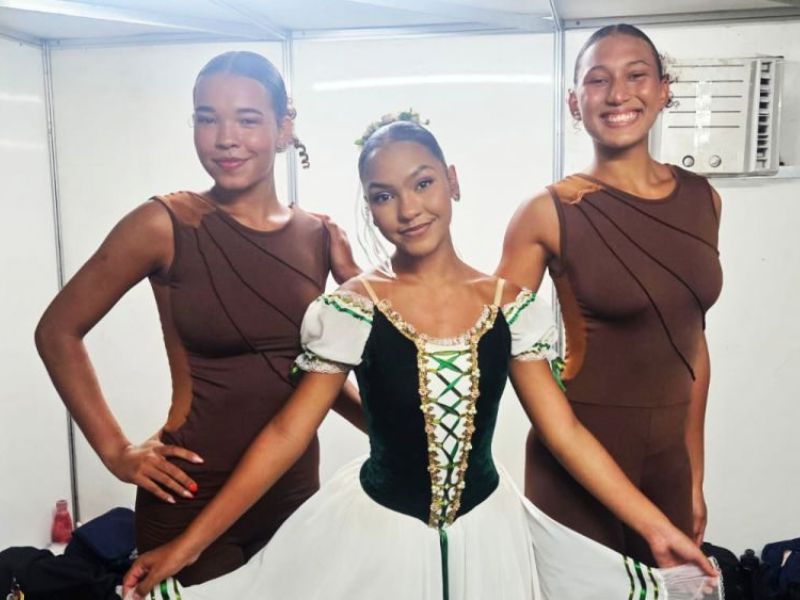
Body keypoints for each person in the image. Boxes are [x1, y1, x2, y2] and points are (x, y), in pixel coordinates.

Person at [122, 118, 720, 600]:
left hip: (489, 534)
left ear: (453, 181)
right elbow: (285, 432)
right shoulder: (352, 308)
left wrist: (656, 528)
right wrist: (188, 546)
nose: (408, 209)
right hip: (380, 534)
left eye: (423, 182)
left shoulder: (508, 305)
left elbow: (563, 431)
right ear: (369, 206)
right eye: (383, 196)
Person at [34, 50, 363, 585]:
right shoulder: (164, 223)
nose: (225, 137)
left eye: (247, 120)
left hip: (293, 492)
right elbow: (57, 331)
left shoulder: (321, 236)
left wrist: (393, 433)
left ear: (283, 129)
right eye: (207, 118)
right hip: (188, 494)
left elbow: (310, 375)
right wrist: (116, 451)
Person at [496, 24, 723, 564]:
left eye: (636, 76)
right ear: (575, 102)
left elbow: (692, 346)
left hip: (669, 464)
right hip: (577, 462)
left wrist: (693, 476)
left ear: (664, 90)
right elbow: (498, 346)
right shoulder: (546, 212)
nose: (618, 94)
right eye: (598, 81)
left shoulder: (705, 200)